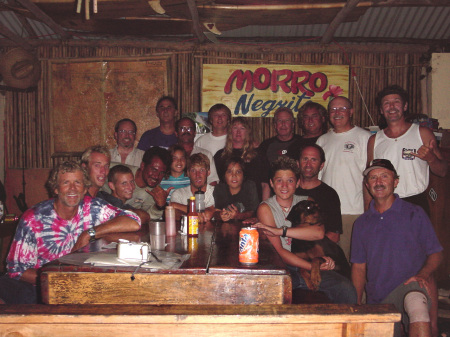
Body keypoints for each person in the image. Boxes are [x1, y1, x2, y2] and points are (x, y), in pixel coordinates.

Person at [0, 161, 141, 304]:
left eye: (78, 183)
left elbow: (133, 220)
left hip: (77, 284)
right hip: (38, 286)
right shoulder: (34, 219)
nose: (72, 188)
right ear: (55, 189)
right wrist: (60, 280)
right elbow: (17, 270)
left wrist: (89, 233)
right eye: (66, 182)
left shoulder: (92, 207)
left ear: (85, 188)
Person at [351, 159, 443, 337]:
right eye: (373, 178)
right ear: (367, 185)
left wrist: (423, 273)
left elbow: (436, 253)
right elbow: (358, 267)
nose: (378, 182)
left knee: (417, 306)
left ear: (395, 182)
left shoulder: (414, 213)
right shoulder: (361, 223)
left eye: (384, 176)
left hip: (411, 286)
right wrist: (355, 305)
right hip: (379, 298)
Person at [253, 157, 356, 304]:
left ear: (297, 183)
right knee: (270, 291)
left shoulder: (307, 201)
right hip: (284, 267)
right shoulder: (266, 208)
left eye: (290, 180)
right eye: (279, 180)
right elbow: (281, 252)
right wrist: (316, 267)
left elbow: (318, 233)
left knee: (346, 288)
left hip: (309, 260)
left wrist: (280, 231)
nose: (284, 185)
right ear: (271, 183)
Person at [366, 85, 447, 215]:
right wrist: (368, 211)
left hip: (415, 202)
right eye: (387, 103)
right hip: (383, 202)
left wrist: (431, 158)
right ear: (381, 110)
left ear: (405, 106)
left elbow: (442, 171)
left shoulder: (422, 133)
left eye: (396, 102)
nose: (391, 107)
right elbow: (369, 178)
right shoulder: (374, 140)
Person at [316, 96, 371, 260]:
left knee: (354, 261)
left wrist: (368, 212)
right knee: (327, 262)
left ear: (351, 112)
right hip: (326, 214)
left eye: (342, 109)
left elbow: (370, 178)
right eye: (333, 109)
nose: (337, 113)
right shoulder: (322, 140)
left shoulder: (365, 138)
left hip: (352, 212)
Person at [214, 117, 270, 202]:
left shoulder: (258, 154)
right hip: (228, 206)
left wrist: (264, 207)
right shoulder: (220, 156)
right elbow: (217, 185)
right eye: (235, 128)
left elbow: (265, 185)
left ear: (247, 132)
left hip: (254, 205)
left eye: (242, 128)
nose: (238, 132)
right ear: (230, 132)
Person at [295, 144, 342, 243]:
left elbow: (334, 235)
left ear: (321, 165)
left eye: (313, 160)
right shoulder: (287, 190)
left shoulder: (329, 195)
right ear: (298, 163)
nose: (308, 164)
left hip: (317, 252)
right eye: (305, 159)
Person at [125, 146, 173, 220]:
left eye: (162, 173)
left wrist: (159, 206)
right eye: (154, 170)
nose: (156, 176)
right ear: (143, 166)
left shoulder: (154, 191)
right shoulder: (120, 172)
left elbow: (149, 216)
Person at [170, 153, 216, 222]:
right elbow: (173, 214)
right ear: (188, 173)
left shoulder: (215, 192)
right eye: (193, 170)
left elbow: (207, 215)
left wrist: (178, 206)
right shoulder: (178, 193)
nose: (197, 175)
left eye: (202, 170)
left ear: (208, 172)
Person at [174, 116, 219, 185]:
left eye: (189, 129)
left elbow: (212, 181)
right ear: (176, 133)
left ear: (195, 133)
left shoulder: (206, 154)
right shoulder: (170, 154)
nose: (186, 131)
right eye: (182, 129)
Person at [213, 156, 259, 222]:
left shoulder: (250, 187)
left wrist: (238, 215)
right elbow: (215, 212)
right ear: (224, 175)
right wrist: (220, 215)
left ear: (243, 175)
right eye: (229, 172)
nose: (234, 175)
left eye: (238, 172)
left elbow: (253, 212)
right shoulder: (219, 189)